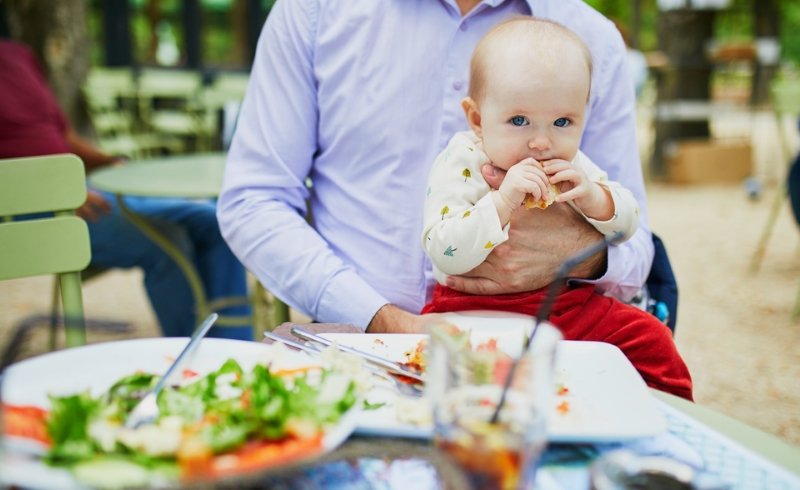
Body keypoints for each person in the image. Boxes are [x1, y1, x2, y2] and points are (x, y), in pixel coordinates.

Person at [219, 1, 655, 335]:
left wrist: (579, 256)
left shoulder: (592, 38)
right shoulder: (315, 11)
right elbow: (253, 201)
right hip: (359, 348)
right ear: (475, 117)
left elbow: (635, 252)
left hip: (548, 348)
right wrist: (380, 320)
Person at [420, 18, 691, 399]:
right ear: (478, 120)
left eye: (563, 121)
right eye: (519, 121)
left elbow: (629, 225)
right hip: (472, 310)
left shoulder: (574, 162)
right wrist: (501, 202)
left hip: (564, 304)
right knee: (441, 371)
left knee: (650, 338)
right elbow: (442, 248)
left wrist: (593, 197)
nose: (542, 142)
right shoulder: (464, 159)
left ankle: (670, 427)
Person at [0, 39, 252, 340]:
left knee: (213, 220)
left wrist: (107, 160)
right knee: (167, 241)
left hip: (82, 188)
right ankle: (192, 359)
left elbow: (59, 133)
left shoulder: (17, 53)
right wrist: (54, 192)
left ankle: (236, 349)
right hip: (26, 206)